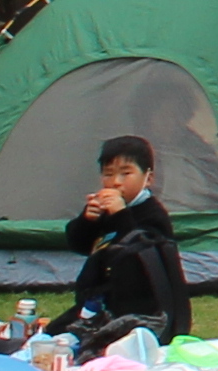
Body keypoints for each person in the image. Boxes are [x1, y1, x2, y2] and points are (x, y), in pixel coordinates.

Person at [64, 135, 192, 341]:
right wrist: (87, 219)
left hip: (140, 309)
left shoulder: (153, 214)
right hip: (99, 302)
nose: (116, 182)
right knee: (55, 335)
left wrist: (120, 215)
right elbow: (78, 244)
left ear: (147, 178)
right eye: (108, 174)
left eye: (126, 174)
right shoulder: (106, 210)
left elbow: (139, 253)